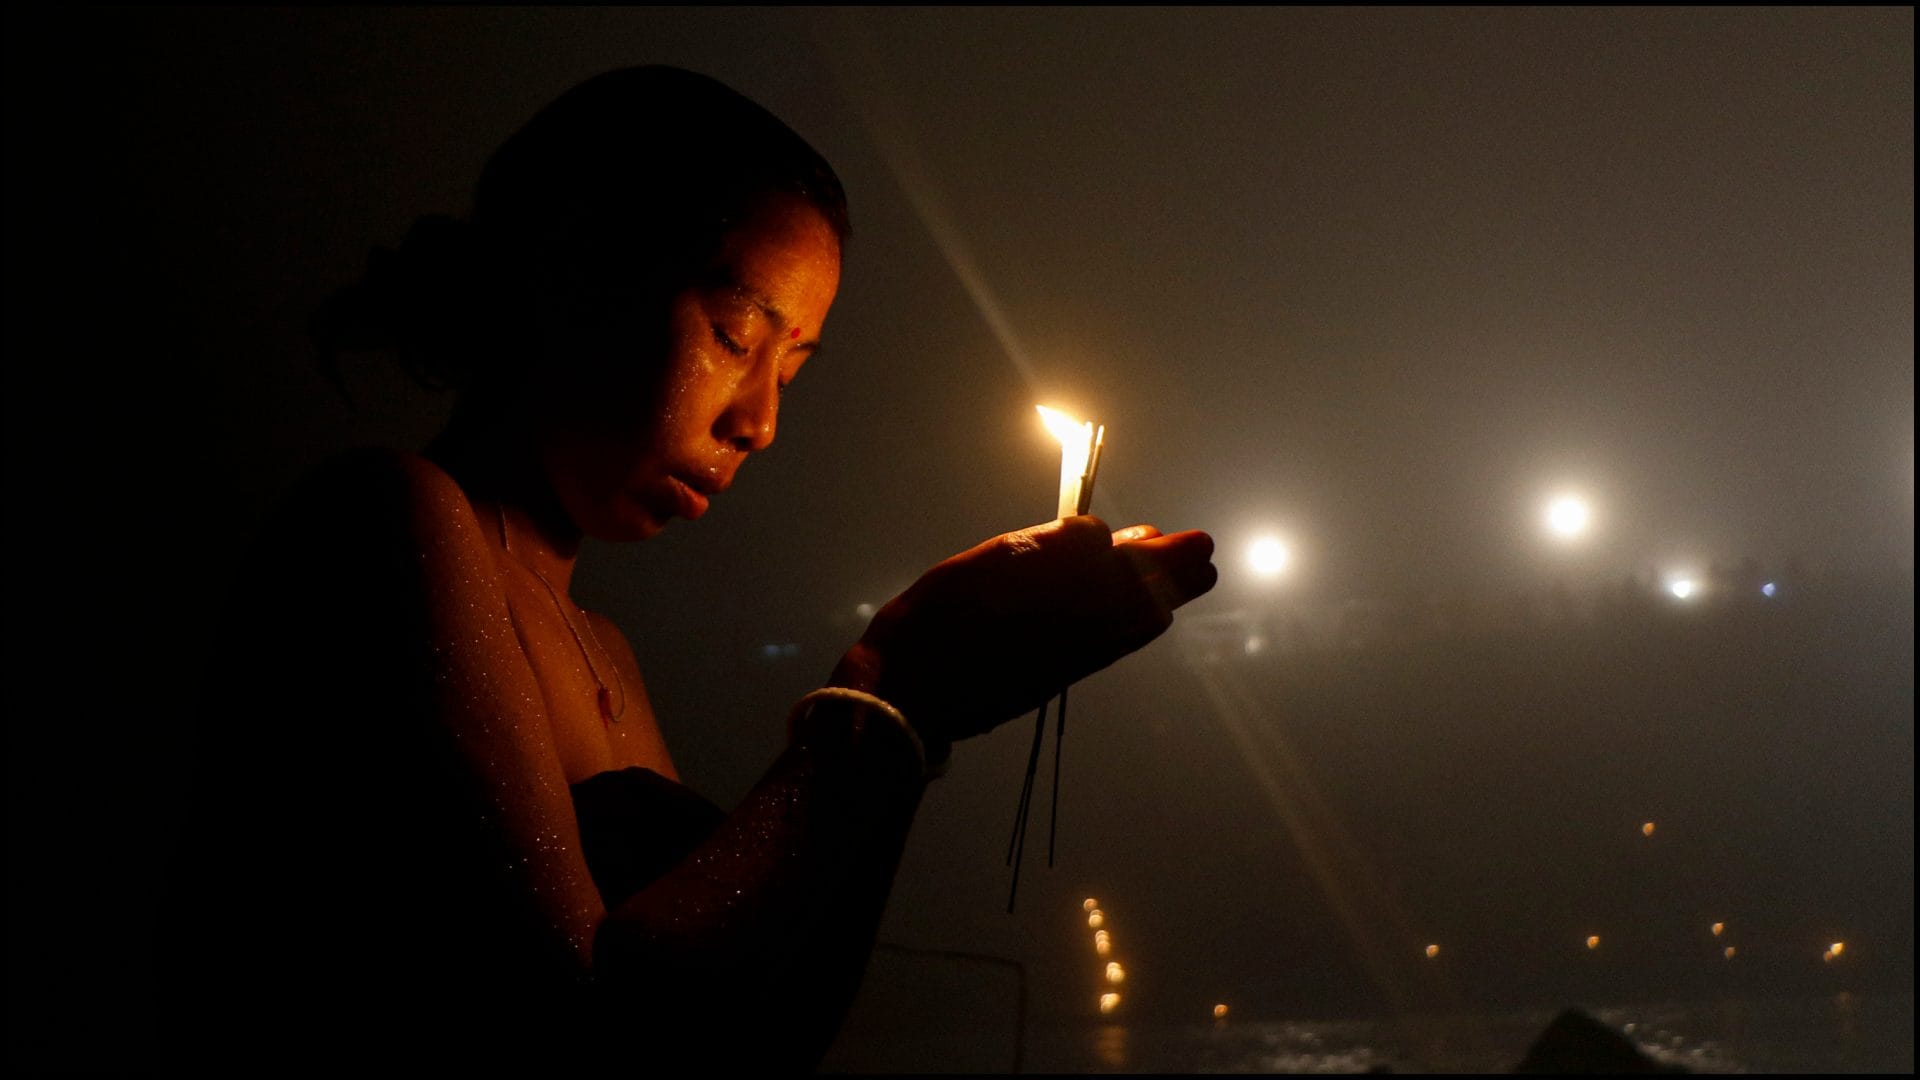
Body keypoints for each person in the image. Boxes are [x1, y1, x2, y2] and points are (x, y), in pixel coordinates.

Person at [159, 65, 1215, 1071]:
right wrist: (889, 692)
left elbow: (749, 1039)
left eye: (792, 367)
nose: (758, 421)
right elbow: (574, 1033)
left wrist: (913, 725)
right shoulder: (390, 520)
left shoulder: (601, 643)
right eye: (730, 334)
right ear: (575, 277)